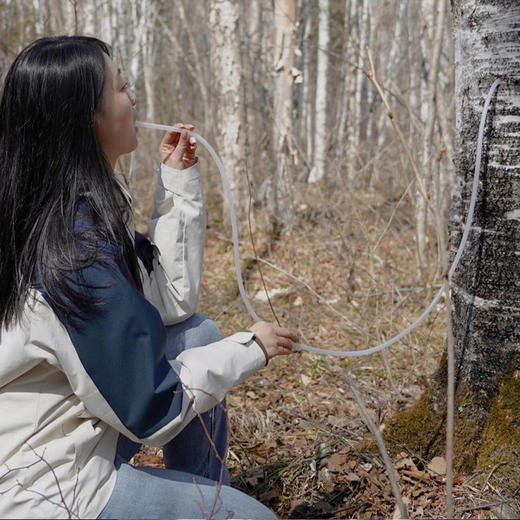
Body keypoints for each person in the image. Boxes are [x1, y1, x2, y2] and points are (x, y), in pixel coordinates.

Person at [0, 35, 298, 519]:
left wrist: (175, 183)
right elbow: (151, 407)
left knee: (197, 333)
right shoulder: (73, 252)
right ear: (86, 119)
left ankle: (203, 497)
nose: (133, 96)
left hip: (75, 429)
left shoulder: (69, 207)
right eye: (120, 88)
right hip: (45, 486)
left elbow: (167, 303)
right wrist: (251, 349)